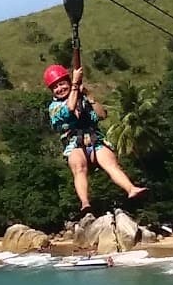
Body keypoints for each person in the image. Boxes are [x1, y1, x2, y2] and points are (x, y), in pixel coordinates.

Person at [44, 63, 146, 214]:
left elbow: (101, 114)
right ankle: (85, 202)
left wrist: (88, 95)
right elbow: (69, 109)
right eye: (55, 87)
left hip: (94, 140)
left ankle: (131, 188)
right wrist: (74, 85)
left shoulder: (83, 100)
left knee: (110, 163)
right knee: (79, 167)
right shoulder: (54, 107)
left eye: (62, 84)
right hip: (74, 144)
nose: (60, 89)